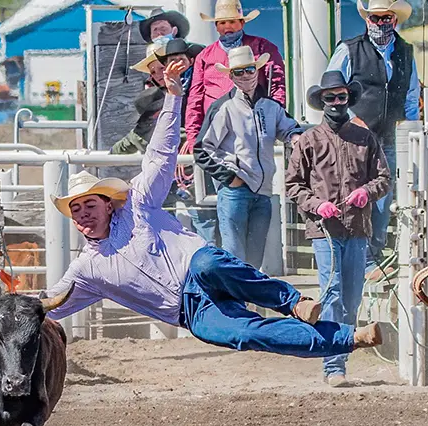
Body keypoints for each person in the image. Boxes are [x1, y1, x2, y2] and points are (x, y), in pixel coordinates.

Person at [45, 59, 382, 359]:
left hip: (197, 266)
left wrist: (174, 98)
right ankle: (348, 338)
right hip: (189, 310)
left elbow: (160, 157)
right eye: (76, 210)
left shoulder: (137, 203)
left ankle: (293, 302)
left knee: (209, 262)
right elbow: (45, 305)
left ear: (107, 204)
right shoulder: (85, 270)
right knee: (246, 333)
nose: (84, 214)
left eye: (89, 204)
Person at [285, 71, 390, 387]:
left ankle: (340, 356)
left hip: (357, 228)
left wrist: (366, 192)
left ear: (348, 99)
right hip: (325, 230)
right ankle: (333, 366)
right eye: (329, 97)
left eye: (340, 96)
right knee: (332, 296)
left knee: (353, 297)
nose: (335, 102)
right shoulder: (309, 140)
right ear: (321, 101)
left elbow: (383, 179)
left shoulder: (366, 138)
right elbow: (293, 185)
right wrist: (316, 204)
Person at [325, 0, 420, 281]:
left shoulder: (405, 51)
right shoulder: (349, 48)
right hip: (354, 139)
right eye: (376, 18)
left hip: (389, 137)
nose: (381, 23)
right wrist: (348, 118)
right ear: (367, 20)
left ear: (394, 20)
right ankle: (361, 259)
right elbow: (331, 87)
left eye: (386, 18)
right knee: (355, 196)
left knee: (381, 200)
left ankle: (373, 256)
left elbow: (411, 96)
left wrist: (412, 129)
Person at [181, 0, 286, 247]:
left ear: (241, 23)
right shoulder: (206, 56)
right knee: (227, 201)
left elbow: (277, 87)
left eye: (231, 22)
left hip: (253, 132)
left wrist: (274, 119)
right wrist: (195, 137)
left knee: (252, 201)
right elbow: (195, 97)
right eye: (222, 23)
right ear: (216, 26)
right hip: (218, 138)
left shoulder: (263, 48)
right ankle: (233, 259)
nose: (227, 27)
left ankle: (243, 261)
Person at [194, 46, 302, 268]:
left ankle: (248, 301)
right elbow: (202, 150)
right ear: (231, 76)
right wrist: (231, 177)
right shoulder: (222, 107)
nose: (245, 75)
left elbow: (290, 128)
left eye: (249, 70)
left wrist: (296, 137)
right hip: (236, 191)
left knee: (254, 257)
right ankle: (238, 301)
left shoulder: (271, 106)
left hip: (263, 191)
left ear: (257, 70)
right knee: (235, 255)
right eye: (239, 72)